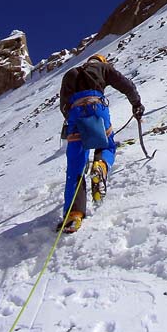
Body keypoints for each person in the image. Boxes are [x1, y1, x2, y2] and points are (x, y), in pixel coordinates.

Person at [57, 53, 144, 233]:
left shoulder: (70, 74)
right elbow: (125, 85)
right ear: (102, 61)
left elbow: (63, 105)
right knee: (107, 145)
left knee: (75, 165)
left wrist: (75, 118)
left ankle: (73, 214)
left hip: (74, 117)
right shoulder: (103, 68)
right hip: (97, 108)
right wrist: (137, 104)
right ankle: (102, 166)